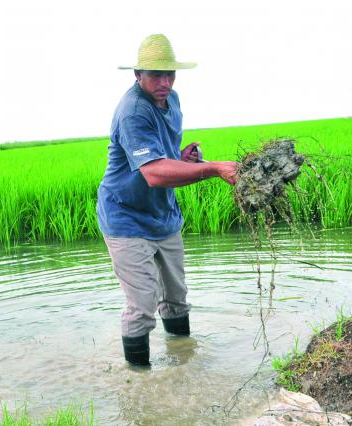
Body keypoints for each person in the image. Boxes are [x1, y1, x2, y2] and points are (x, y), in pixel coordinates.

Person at [96, 34, 238, 366]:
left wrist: (181, 156)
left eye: (169, 74)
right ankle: (140, 381)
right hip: (126, 218)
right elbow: (154, 173)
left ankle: (182, 363)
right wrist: (213, 169)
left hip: (163, 215)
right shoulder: (132, 110)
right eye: (156, 75)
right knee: (142, 304)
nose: (164, 82)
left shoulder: (172, 100)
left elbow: (162, 156)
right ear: (137, 75)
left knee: (176, 296)